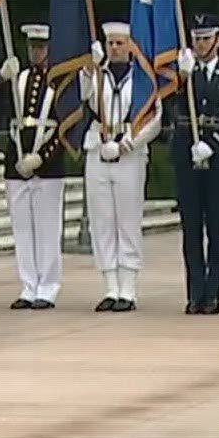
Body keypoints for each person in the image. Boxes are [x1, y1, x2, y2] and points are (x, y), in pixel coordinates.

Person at [81, 21, 161, 311]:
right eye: (111, 43)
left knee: (127, 221)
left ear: (130, 46)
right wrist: (90, 70)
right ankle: (110, 286)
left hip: (129, 151)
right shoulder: (98, 74)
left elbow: (154, 117)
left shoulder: (142, 79)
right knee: (102, 220)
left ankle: (128, 288)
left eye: (120, 43)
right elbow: (84, 98)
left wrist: (128, 143)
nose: (115, 48)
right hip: (98, 147)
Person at [169, 13, 219, 315]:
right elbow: (171, 108)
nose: (200, 44)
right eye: (196, 39)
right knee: (192, 227)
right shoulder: (183, 74)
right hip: (187, 155)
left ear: (217, 41)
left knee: (216, 227)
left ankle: (214, 291)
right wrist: (181, 80)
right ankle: (195, 290)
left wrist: (213, 144)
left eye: (206, 39)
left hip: (217, 159)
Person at [0, 23, 64, 310]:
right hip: (17, 163)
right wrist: (0, 82)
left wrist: (43, 157)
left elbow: (65, 127)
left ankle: (47, 287)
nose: (37, 52)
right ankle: (28, 285)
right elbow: (1, 114)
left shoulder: (59, 82)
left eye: (41, 47)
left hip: (46, 165)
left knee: (47, 230)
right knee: (22, 229)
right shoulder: (19, 80)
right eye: (33, 47)